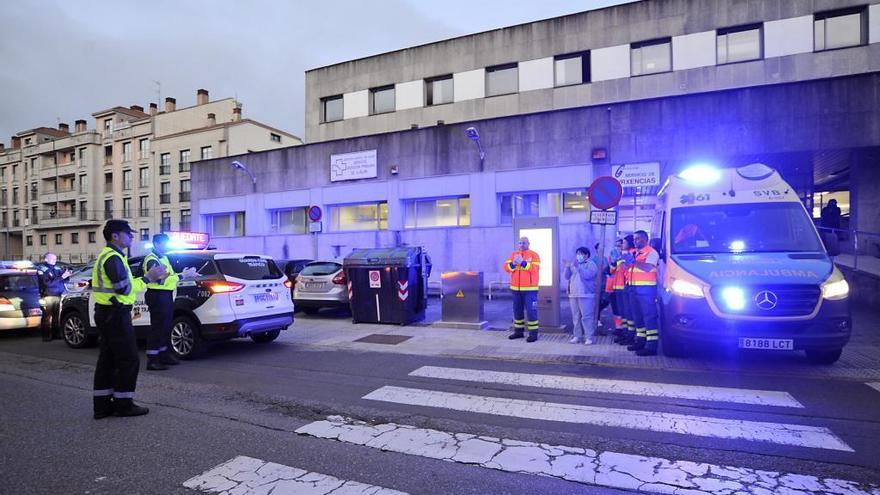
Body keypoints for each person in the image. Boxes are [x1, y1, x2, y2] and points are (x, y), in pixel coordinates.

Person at [92, 219, 166, 419]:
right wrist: (147, 278)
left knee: (108, 360)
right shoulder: (113, 258)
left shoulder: (110, 256)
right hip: (115, 314)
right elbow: (123, 288)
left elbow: (123, 285)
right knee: (128, 359)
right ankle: (124, 405)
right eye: (128, 233)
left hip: (108, 313)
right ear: (115, 236)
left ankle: (102, 406)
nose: (132, 237)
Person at [143, 234, 197, 371]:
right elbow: (160, 280)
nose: (167, 246)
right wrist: (183, 275)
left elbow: (169, 277)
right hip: (157, 295)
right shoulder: (152, 259)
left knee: (166, 327)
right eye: (164, 244)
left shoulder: (164, 258)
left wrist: (181, 274)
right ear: (156, 244)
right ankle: (152, 360)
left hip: (165, 295)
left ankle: (164, 355)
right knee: (158, 328)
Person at [623, 230, 660, 356]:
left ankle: (651, 346)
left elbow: (648, 268)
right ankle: (640, 341)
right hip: (633, 288)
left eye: (638, 238)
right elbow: (627, 269)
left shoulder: (652, 252)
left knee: (649, 316)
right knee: (637, 316)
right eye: (634, 239)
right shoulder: (635, 253)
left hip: (646, 289)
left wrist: (633, 261)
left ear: (645, 239)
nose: (635, 241)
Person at [503, 236, 541, 342]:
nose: (521, 245)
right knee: (517, 311)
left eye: (524, 243)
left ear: (528, 244)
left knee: (531, 311)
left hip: (530, 289)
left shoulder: (534, 255)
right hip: (515, 289)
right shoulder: (514, 254)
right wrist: (513, 264)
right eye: (520, 243)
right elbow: (506, 268)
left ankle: (533, 334)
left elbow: (535, 269)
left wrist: (523, 263)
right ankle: (518, 332)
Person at [563, 247, 598, 344]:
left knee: (587, 316)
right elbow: (566, 277)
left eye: (581, 254)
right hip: (573, 293)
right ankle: (577, 336)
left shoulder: (591, 264)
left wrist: (578, 267)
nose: (578, 255)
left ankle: (589, 337)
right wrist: (567, 267)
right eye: (577, 253)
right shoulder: (573, 264)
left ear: (586, 255)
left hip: (586, 294)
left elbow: (588, 275)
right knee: (575, 316)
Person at [37, 252, 72, 342]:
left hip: (57, 294)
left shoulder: (57, 268)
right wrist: (61, 277)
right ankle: (46, 336)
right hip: (47, 295)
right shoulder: (42, 270)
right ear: (46, 259)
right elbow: (47, 283)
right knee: (47, 316)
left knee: (56, 315)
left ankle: (56, 334)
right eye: (52, 259)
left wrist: (67, 274)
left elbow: (65, 279)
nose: (54, 260)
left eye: (55, 259)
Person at [614, 235, 636, 346]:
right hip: (619, 287)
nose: (622, 244)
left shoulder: (631, 253)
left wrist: (620, 259)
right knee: (624, 313)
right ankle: (626, 332)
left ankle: (630, 334)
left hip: (626, 286)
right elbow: (615, 270)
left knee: (629, 313)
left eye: (624, 242)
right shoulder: (624, 254)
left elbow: (625, 267)